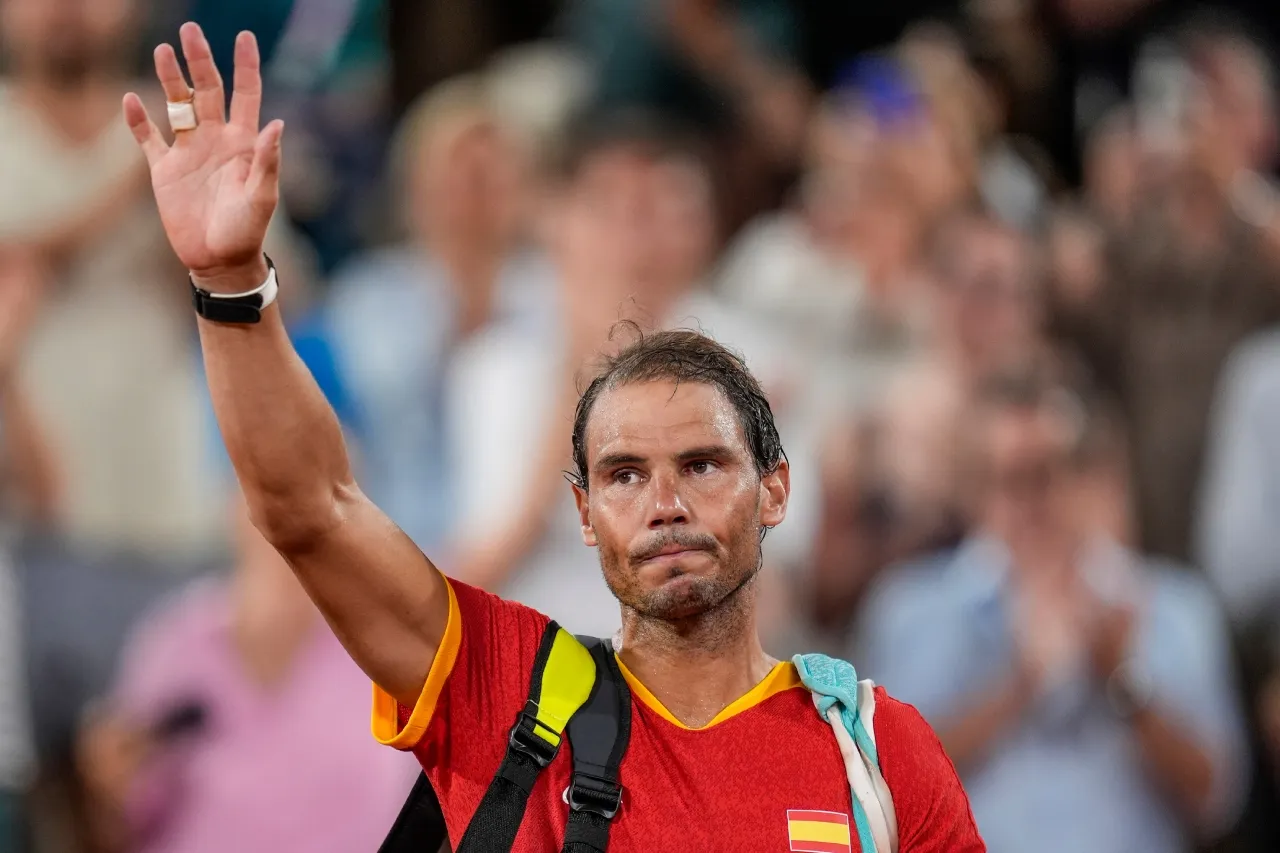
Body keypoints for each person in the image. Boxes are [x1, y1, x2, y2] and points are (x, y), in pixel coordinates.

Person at [121, 23, 985, 850]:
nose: (665, 502)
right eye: (622, 475)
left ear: (776, 488)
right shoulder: (503, 690)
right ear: (581, 509)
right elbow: (310, 509)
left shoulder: (876, 751)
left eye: (702, 462)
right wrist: (231, 280)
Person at [860, 366, 1249, 853]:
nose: (1033, 505)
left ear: (1096, 476)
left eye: (1049, 474)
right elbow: (881, 791)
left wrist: (1123, 682)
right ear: (974, 489)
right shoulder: (910, 608)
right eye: (1011, 480)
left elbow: (1217, 800)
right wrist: (1018, 687)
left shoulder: (1172, 605)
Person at [76, 492, 416, 853]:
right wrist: (108, 785)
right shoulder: (177, 641)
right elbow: (123, 815)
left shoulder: (383, 653)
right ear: (238, 515)